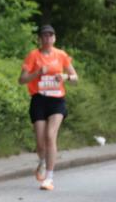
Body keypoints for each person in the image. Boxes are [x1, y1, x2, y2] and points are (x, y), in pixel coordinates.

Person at [18, 24, 78, 191]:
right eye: (44, 36)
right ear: (40, 39)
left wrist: (65, 77)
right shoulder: (33, 56)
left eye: (50, 35)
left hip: (57, 101)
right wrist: (37, 73)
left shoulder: (61, 55)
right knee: (40, 142)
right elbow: (21, 80)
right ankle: (42, 161)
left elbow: (75, 78)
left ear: (54, 38)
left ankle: (49, 178)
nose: (47, 38)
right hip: (39, 100)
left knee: (50, 136)